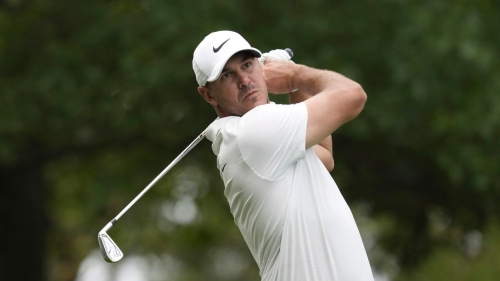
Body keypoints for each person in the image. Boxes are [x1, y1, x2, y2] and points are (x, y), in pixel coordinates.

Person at [193, 30, 374, 281]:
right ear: (209, 94)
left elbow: (323, 156)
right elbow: (354, 95)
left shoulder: (257, 136)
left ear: (260, 64)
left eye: (247, 64)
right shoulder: (254, 131)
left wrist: (295, 86)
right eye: (227, 75)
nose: (244, 80)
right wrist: (294, 75)